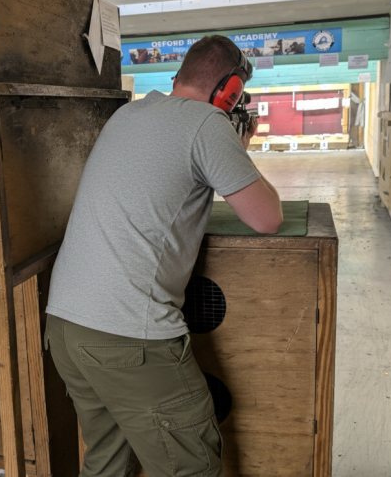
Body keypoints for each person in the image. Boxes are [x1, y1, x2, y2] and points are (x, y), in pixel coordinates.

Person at [44, 35, 282, 477]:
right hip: (129, 337)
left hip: (66, 327)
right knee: (189, 465)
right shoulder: (208, 125)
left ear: (179, 76)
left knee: (106, 461)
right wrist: (238, 150)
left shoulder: (128, 113)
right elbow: (266, 218)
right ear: (229, 92)